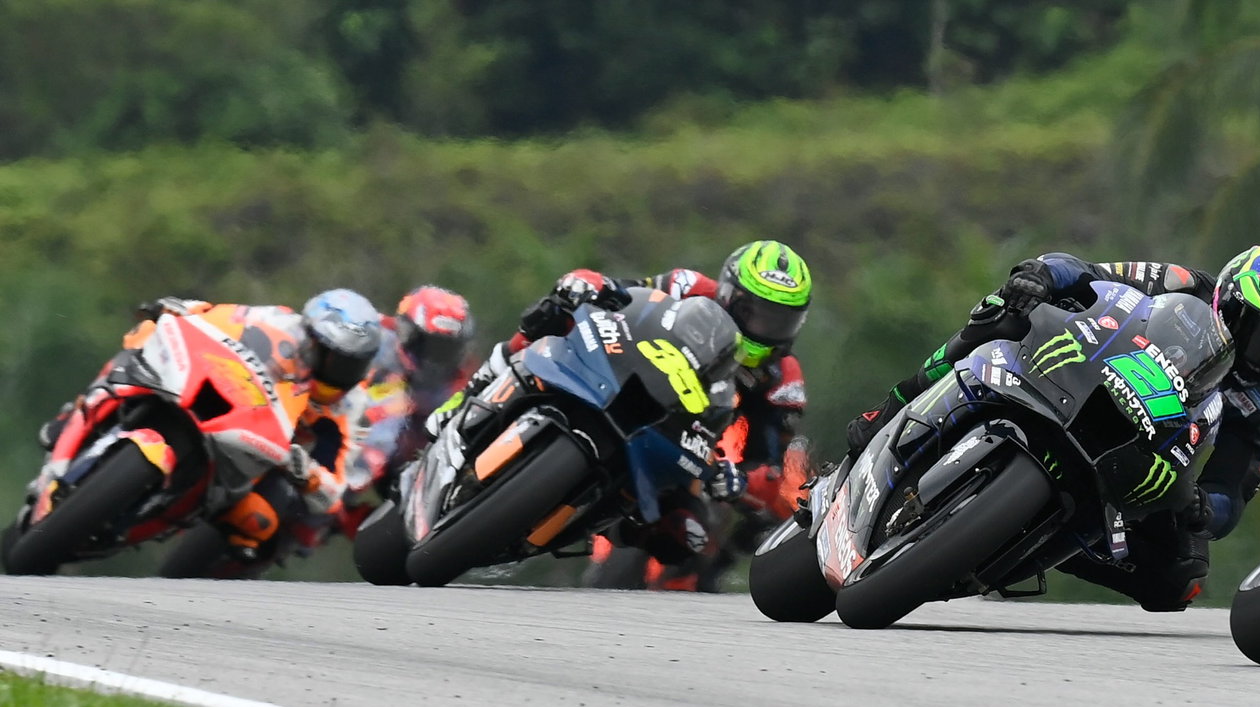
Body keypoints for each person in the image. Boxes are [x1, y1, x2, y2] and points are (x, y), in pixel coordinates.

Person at [844, 245, 1260, 611]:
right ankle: (891, 406)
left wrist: (1200, 506)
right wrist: (1041, 275)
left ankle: (1029, 540)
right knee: (1002, 310)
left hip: (1149, 455)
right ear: (1228, 300)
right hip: (1084, 373)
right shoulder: (1181, 285)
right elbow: (1089, 272)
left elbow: (1231, 497)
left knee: (1182, 580)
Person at [434, 240, 812, 571]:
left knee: (685, 537)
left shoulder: (783, 378)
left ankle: (600, 522)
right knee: (549, 315)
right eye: (754, 312)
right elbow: (624, 292)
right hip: (623, 377)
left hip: (684, 441)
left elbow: (769, 458)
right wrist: (588, 285)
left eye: (780, 321)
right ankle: (473, 392)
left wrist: (741, 480)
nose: (765, 327)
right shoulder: (689, 287)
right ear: (729, 293)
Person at [40, 290, 384, 560]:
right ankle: (75, 414)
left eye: (347, 364)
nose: (333, 370)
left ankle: (177, 526)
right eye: (327, 354)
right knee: (142, 337)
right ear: (309, 334)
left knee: (261, 521)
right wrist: (182, 309)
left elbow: (335, 489)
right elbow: (218, 316)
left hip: (255, 455)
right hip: (219, 392)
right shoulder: (277, 321)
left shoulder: (349, 405)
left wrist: (307, 473)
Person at [324, 285, 478, 540]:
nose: (434, 359)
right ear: (406, 332)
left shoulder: (458, 382)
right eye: (429, 346)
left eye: (445, 351)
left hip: (400, 459)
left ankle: (360, 523)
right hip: (340, 419)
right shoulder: (370, 334)